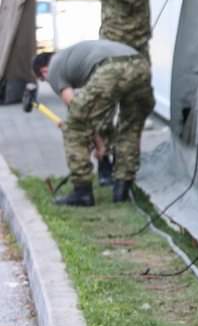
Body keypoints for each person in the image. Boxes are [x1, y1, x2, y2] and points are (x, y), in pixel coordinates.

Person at [91, 0, 193, 185]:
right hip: (112, 50)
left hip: (138, 50)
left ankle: (124, 174)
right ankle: (103, 160)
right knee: (102, 112)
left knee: (135, 110)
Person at [32, 40, 154, 206]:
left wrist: (99, 145)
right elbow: (94, 113)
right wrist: (100, 143)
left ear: (43, 71)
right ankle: (122, 189)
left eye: (43, 79)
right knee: (130, 127)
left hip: (112, 69)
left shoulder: (53, 68)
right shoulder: (73, 56)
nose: (49, 82)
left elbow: (78, 113)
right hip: (140, 64)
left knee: (73, 127)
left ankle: (82, 192)